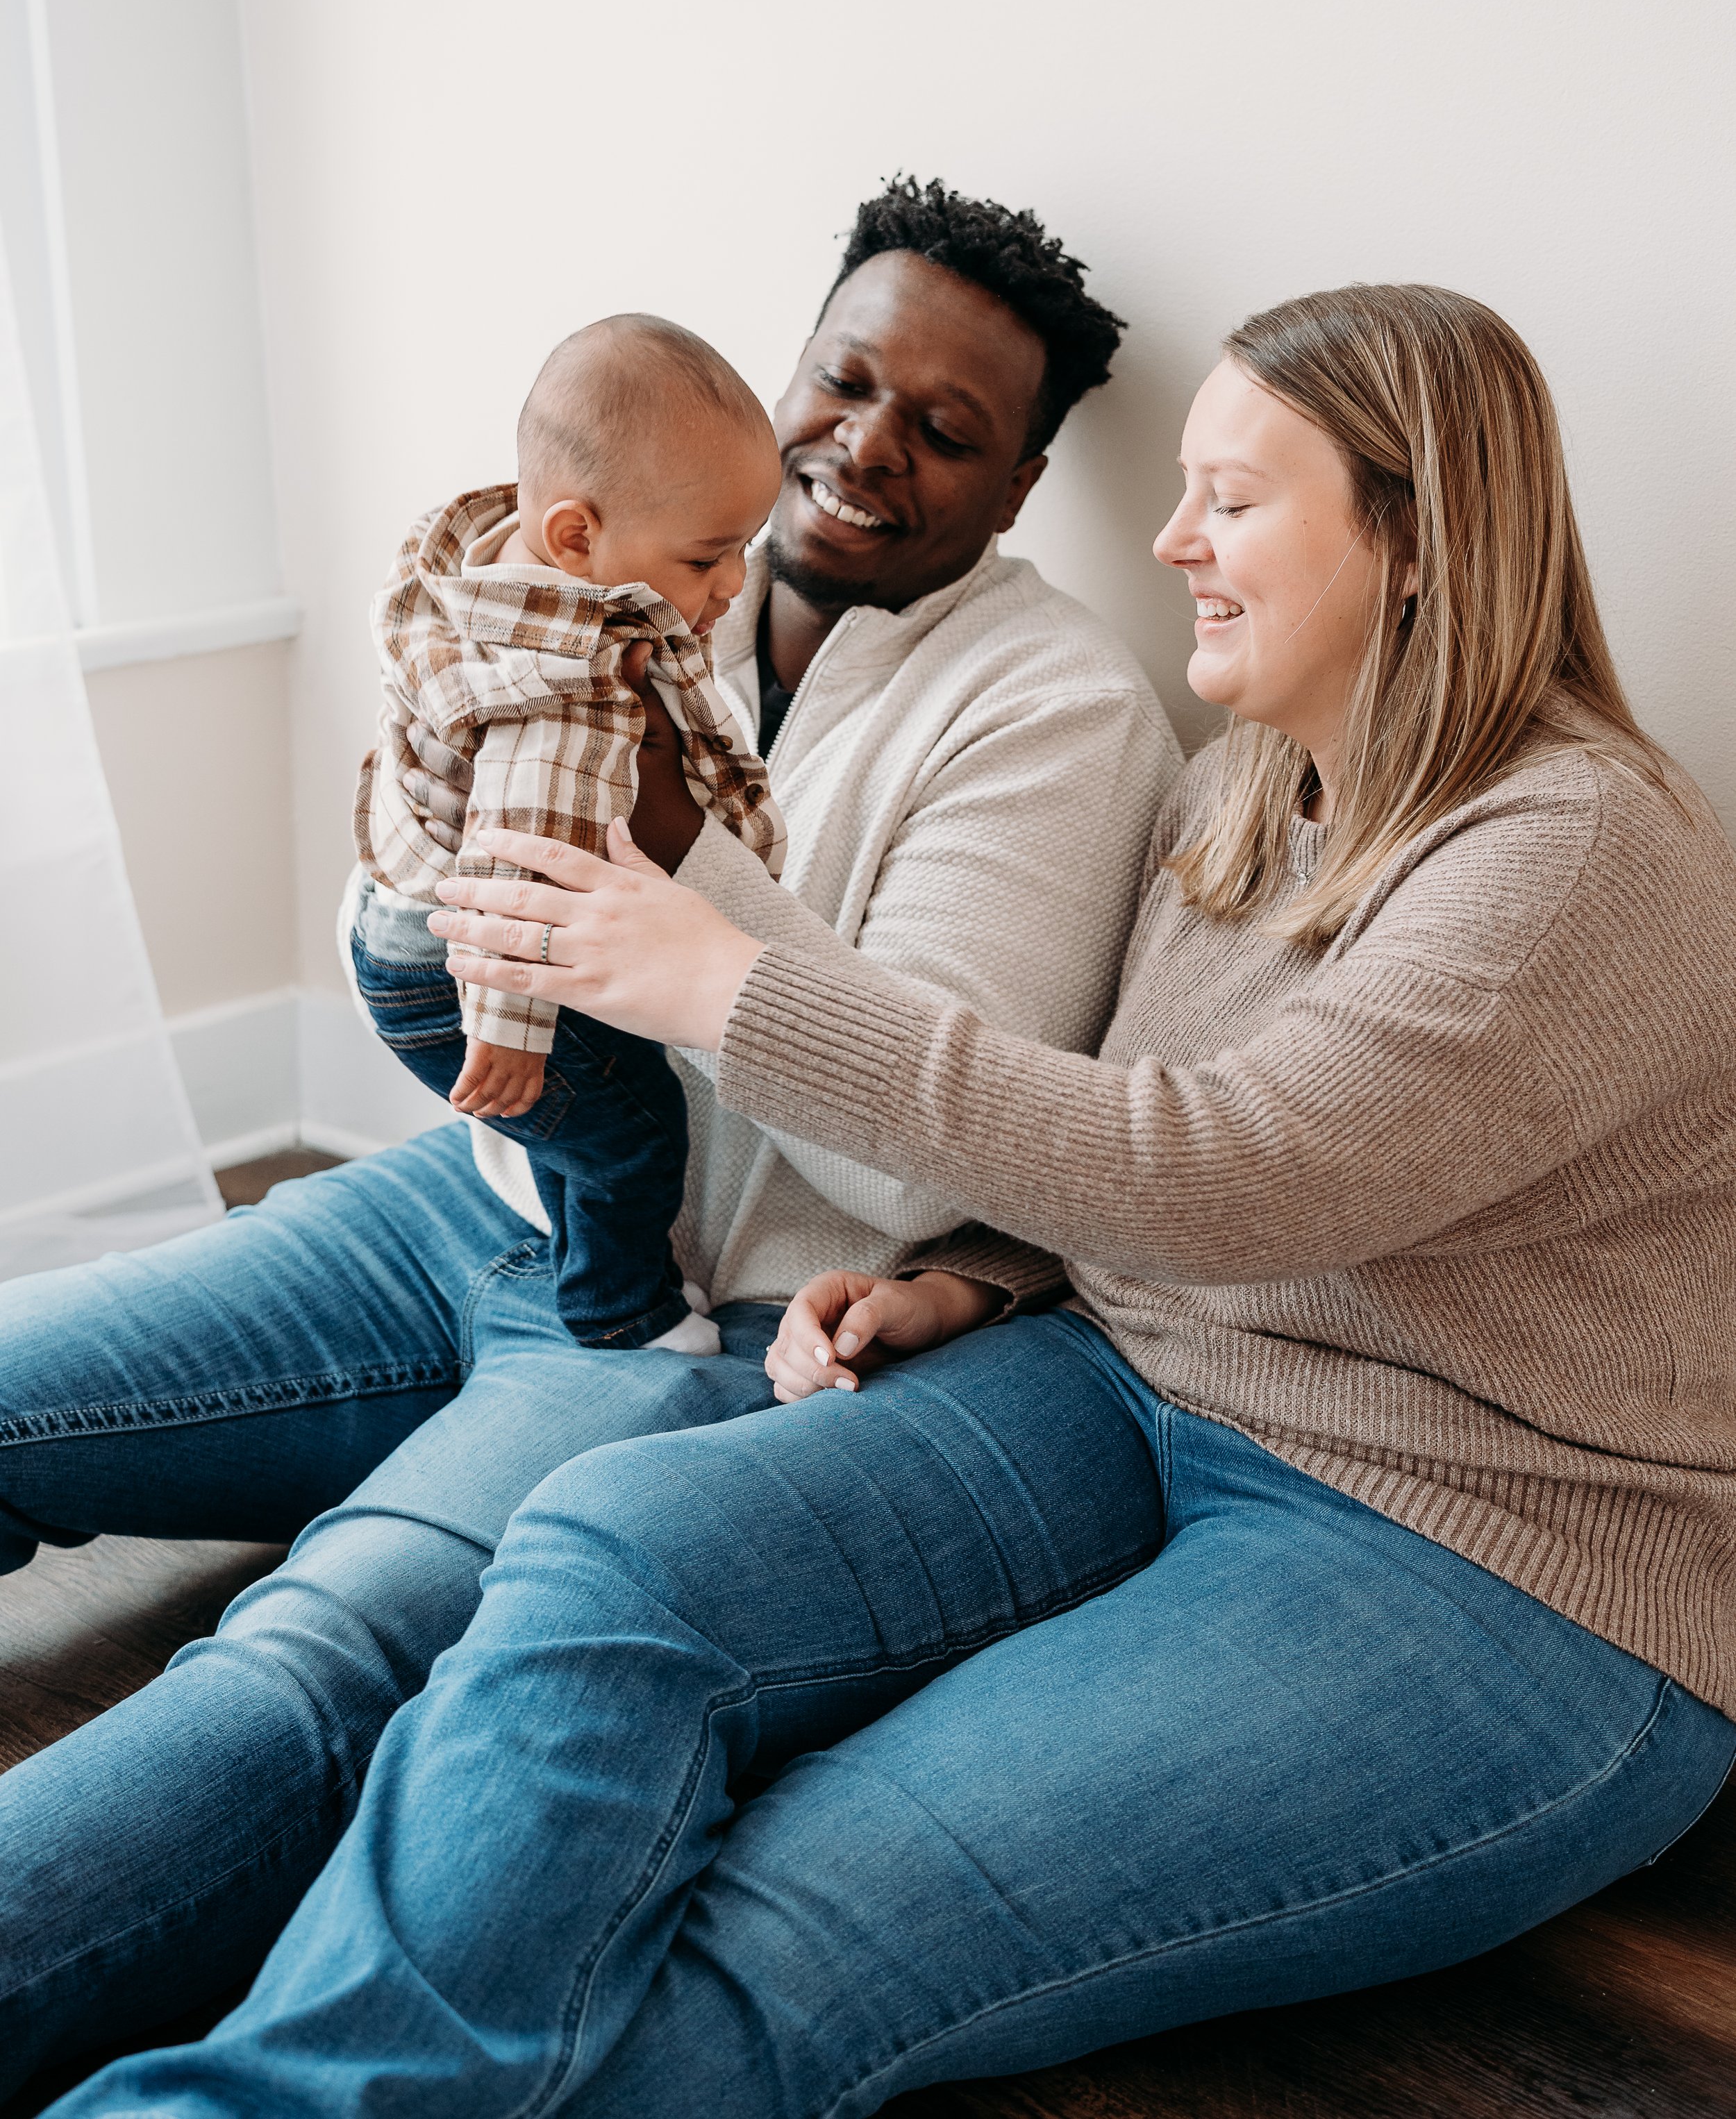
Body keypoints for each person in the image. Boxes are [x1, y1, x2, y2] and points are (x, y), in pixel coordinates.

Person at [69, 282, 1735, 2118]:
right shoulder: (1244, 792)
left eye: (1233, 500)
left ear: (1417, 535)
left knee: (780, 1931)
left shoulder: (1575, 853)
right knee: (602, 1553)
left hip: (1484, 1547)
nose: (1171, 538)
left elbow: (1230, 1166)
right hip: (1128, 1382)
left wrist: (714, 979)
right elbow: (1135, 1141)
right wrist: (986, 1271)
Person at [0, 178, 1178, 2097]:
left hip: (692, 1319)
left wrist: (669, 837)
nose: (864, 444)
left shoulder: (1054, 711)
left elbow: (921, 1165)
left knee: (315, 1650)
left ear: (1021, 484)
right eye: (844, 376)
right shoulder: (606, 566)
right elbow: (392, 923)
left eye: (945, 427)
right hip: (462, 1210)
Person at [353, 312, 785, 1355]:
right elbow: (516, 859)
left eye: (744, 551)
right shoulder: (567, 697)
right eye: (708, 556)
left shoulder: (474, 571)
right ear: (576, 538)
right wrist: (505, 1028)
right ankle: (622, 1311)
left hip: (399, 923)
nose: (733, 584)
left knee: (587, 1113)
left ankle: (576, 1252)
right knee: (638, 1133)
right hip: (468, 965)